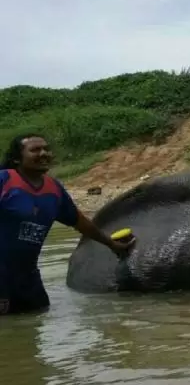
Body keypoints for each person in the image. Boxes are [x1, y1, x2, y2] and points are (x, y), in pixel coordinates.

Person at [0, 133, 135, 315]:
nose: (43, 153)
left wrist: (110, 244)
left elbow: (79, 222)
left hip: (28, 277)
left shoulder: (53, 189)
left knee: (35, 323)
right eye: (35, 150)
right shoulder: (5, 181)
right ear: (17, 158)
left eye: (46, 149)